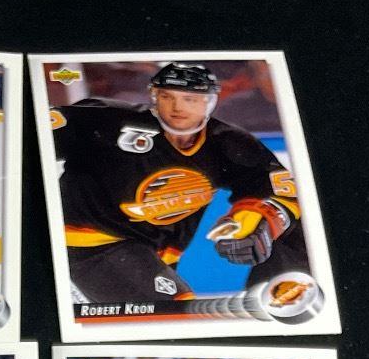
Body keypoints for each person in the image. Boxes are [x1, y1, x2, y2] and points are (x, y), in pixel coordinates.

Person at [50, 62, 309, 311]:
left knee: (297, 227)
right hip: (87, 244)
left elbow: (276, 186)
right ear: (154, 96)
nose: (178, 108)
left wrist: (259, 219)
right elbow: (39, 131)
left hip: (154, 255)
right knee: (175, 313)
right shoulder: (109, 120)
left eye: (190, 99)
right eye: (167, 97)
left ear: (210, 102)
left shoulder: (226, 143)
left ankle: (276, 304)